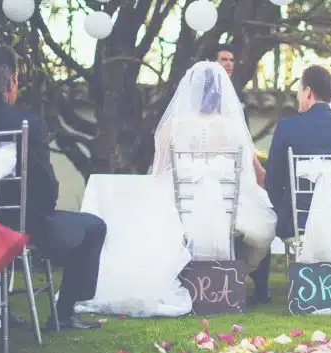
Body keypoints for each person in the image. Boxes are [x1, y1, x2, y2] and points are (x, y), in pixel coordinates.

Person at [72, 61, 275, 317]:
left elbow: (159, 172)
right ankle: (230, 285)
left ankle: (182, 281)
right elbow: (245, 173)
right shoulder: (233, 128)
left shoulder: (173, 126)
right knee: (259, 218)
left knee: (147, 220)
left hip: (184, 207)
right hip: (225, 209)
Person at [0, 45, 106, 331]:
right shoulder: (28, 123)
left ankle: (1, 312)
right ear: (10, 81)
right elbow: (45, 189)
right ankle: (65, 313)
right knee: (94, 227)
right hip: (17, 224)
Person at [263, 65, 331, 302]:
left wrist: (286, 211)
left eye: (299, 90)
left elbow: (272, 181)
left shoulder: (287, 127)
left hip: (297, 221)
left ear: (308, 92)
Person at [210, 44, 249, 127]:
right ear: (214, 63)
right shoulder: (206, 91)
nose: (229, 64)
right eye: (224, 60)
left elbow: (245, 128)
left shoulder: (239, 93)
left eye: (231, 60)